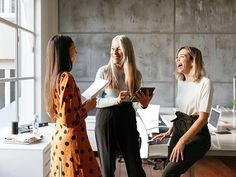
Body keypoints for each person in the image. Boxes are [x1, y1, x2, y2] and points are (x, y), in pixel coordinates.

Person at [95, 35, 153, 177]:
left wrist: (144, 104)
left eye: (119, 49)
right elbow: (97, 101)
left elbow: (135, 103)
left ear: (127, 51)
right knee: (108, 169)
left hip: (127, 118)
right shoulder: (104, 71)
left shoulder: (135, 74)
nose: (115, 52)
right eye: (113, 49)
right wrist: (116, 100)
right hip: (106, 118)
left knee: (135, 167)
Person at [44, 35, 102, 177]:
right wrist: (87, 107)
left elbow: (56, 113)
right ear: (65, 52)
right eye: (73, 48)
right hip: (73, 142)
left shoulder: (52, 78)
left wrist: (80, 104)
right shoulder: (66, 78)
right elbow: (68, 119)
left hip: (60, 137)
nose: (76, 52)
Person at [153, 46, 213, 177]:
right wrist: (170, 130)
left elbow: (203, 118)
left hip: (197, 135)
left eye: (182, 56)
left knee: (168, 173)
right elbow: (181, 112)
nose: (177, 59)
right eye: (176, 57)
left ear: (193, 61)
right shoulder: (181, 81)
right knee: (169, 172)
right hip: (179, 131)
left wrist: (182, 141)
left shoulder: (205, 83)